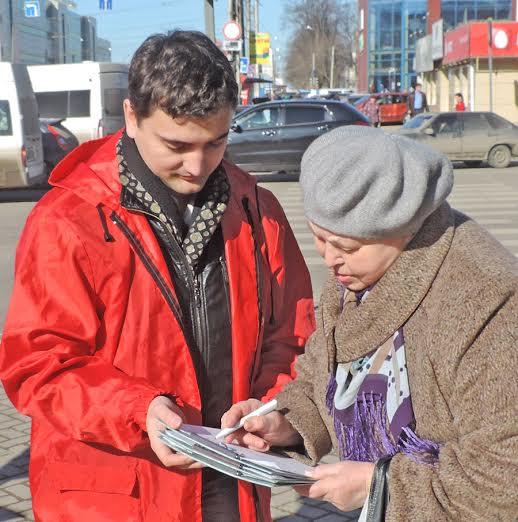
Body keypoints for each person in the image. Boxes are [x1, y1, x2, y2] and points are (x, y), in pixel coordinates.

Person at [0, 31, 315, 522]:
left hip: (232, 487)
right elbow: (39, 365)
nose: (198, 165)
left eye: (216, 142)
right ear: (131, 116)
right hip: (113, 495)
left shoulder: (258, 211)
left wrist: (274, 407)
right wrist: (137, 411)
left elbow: (293, 336)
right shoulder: (68, 219)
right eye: (177, 144)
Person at [223, 126, 518, 521]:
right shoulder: (355, 280)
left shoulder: (485, 297)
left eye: (345, 247)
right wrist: (283, 422)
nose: (328, 259)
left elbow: (504, 473)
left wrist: (378, 485)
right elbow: (320, 378)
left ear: (405, 229)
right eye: (319, 239)